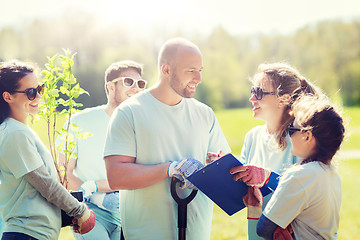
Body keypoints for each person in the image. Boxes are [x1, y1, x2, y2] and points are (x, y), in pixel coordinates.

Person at [103, 37, 231, 240]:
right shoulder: (129, 112)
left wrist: (217, 167)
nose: (198, 78)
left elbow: (225, 169)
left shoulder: (204, 114)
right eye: (191, 71)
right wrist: (169, 169)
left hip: (196, 233)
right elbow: (116, 176)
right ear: (166, 70)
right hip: (145, 234)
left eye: (200, 70)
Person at [208, 62, 321, 239]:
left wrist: (267, 176)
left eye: (259, 92)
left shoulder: (301, 140)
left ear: (283, 98)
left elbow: (305, 193)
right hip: (257, 232)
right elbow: (245, 193)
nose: (252, 98)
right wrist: (226, 169)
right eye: (252, 91)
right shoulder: (252, 137)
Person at [0, 61, 95, 240]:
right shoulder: (14, 133)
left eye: (40, 89)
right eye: (30, 92)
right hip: (27, 234)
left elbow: (32, 191)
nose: (37, 97)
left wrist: (67, 214)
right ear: (8, 97)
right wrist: (80, 211)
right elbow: (45, 184)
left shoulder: (20, 130)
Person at [56, 60, 146, 240]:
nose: (136, 88)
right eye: (128, 81)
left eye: (140, 83)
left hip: (132, 215)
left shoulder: (144, 127)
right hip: (90, 212)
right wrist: (93, 198)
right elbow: (63, 173)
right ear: (110, 87)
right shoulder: (78, 122)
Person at [257, 94, 344, 240]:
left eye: (292, 129)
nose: (288, 135)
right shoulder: (332, 174)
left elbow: (263, 228)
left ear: (308, 136)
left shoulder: (300, 175)